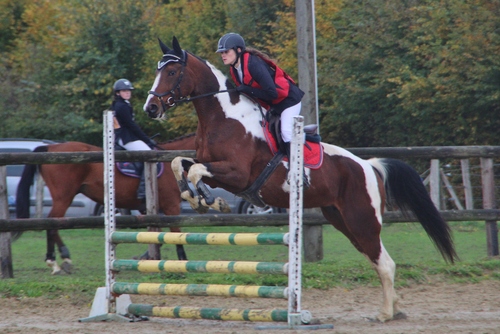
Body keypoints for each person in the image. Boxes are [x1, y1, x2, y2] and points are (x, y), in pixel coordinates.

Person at [216, 32, 305, 159]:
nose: (223, 55)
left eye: (226, 51)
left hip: (288, 101)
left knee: (286, 132)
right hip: (272, 104)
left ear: (239, 50)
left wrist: (247, 89)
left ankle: (298, 168)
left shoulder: (253, 64)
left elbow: (272, 93)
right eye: (221, 53)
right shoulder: (234, 68)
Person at [112, 78, 155, 200]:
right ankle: (142, 190)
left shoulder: (123, 104)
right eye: (124, 91)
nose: (127, 93)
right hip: (126, 138)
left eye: (129, 91)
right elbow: (131, 126)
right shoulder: (121, 106)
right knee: (151, 155)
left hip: (128, 136)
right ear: (117, 93)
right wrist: (146, 139)